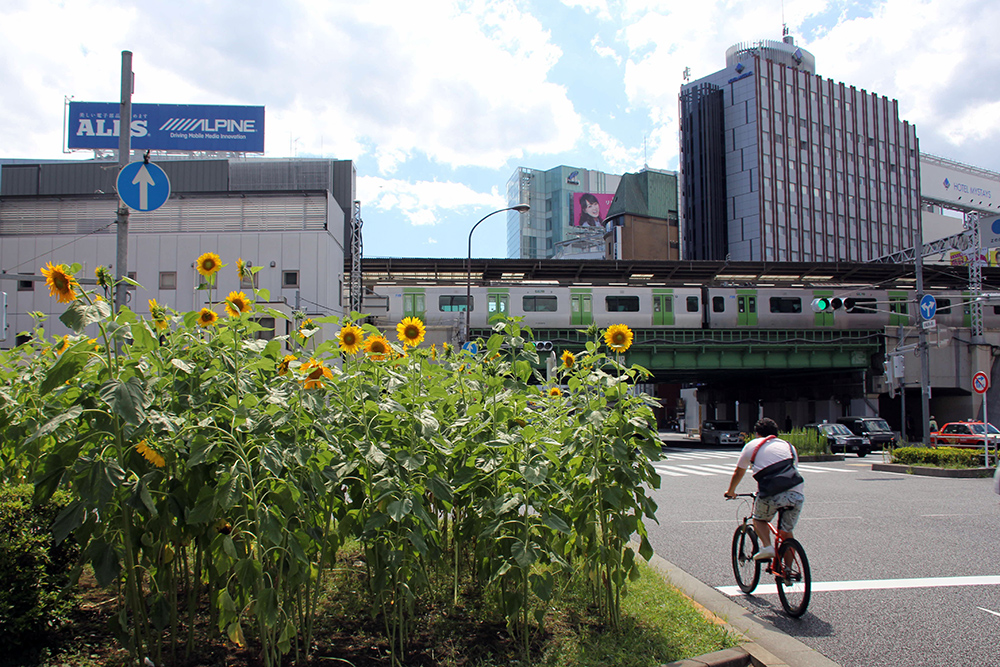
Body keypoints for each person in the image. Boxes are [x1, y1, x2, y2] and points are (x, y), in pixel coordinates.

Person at [724, 417, 805, 561]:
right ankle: (788, 573)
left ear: (757, 433)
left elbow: (739, 471)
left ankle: (767, 547)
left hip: (771, 493)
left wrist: (731, 491)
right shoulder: (789, 446)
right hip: (796, 494)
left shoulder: (752, 445)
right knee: (786, 533)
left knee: (759, 520)